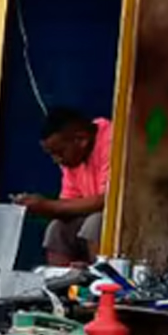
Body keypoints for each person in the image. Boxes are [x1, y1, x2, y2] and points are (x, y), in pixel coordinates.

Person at [16, 108, 112, 265]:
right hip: (90, 223)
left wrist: (49, 205)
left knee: (96, 222)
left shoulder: (111, 140)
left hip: (124, 221)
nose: (56, 160)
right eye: (52, 155)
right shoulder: (73, 158)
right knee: (57, 228)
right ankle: (62, 282)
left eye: (59, 153)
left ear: (81, 140)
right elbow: (67, 205)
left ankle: (100, 279)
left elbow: (106, 201)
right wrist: (40, 208)